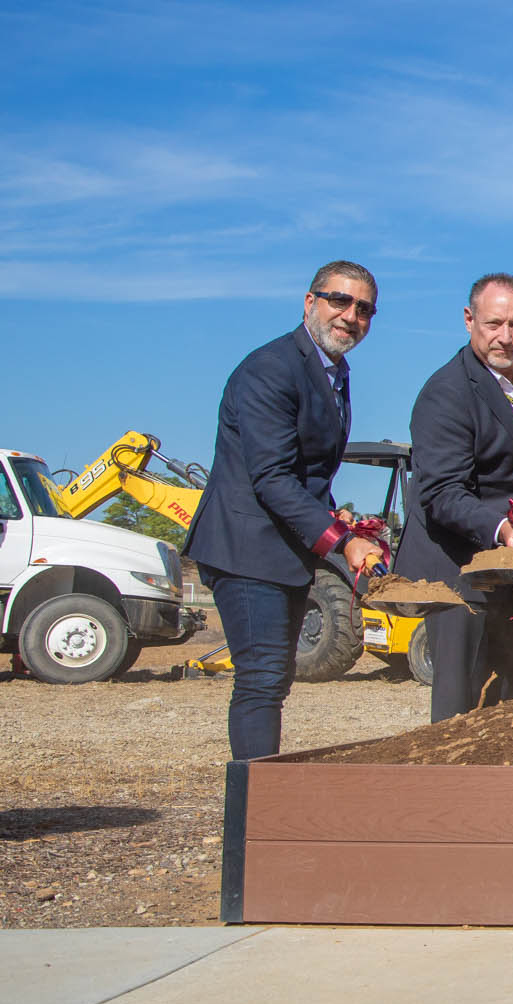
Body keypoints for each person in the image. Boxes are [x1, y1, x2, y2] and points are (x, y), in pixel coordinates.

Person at [185, 261, 386, 759]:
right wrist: (343, 541)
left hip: (286, 550)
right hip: (247, 550)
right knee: (261, 682)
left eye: (363, 308)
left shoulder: (331, 372)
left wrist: (334, 517)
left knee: (274, 681)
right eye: (339, 300)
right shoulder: (271, 368)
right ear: (309, 302)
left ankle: (261, 808)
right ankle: (251, 817)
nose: (350, 315)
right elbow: (271, 477)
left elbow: (307, 473)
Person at [397, 273, 513, 722]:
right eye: (494, 324)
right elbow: (439, 492)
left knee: (504, 700)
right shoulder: (446, 393)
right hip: (459, 573)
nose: (505, 338)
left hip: (510, 569)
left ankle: (497, 791)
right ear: (469, 319)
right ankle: (448, 793)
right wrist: (500, 528)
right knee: (460, 706)